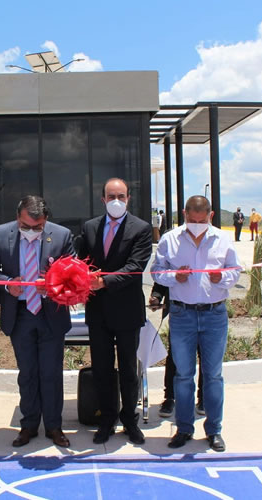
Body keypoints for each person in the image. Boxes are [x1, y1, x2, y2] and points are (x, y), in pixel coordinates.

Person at [0, 195, 74, 448]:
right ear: (17, 218)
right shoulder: (1, 234)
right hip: (20, 314)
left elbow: (74, 272)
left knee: (51, 373)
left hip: (51, 315)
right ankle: (29, 425)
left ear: (46, 222)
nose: (32, 232)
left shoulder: (62, 235)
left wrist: (54, 286)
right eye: (27, 226)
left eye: (38, 227)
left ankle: (54, 427)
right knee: (28, 373)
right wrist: (6, 282)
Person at [152, 195, 240, 452]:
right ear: (184, 214)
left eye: (202, 221)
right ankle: (184, 428)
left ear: (211, 216)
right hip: (182, 315)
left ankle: (214, 430)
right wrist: (174, 276)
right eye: (192, 220)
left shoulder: (223, 239)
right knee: (183, 375)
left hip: (214, 315)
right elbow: (157, 271)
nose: (197, 224)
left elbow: (235, 269)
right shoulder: (170, 239)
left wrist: (220, 278)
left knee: (213, 375)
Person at [78, 178, 152, 445]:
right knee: (102, 368)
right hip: (98, 311)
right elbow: (80, 261)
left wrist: (104, 282)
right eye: (111, 196)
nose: (116, 200)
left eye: (121, 195)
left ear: (129, 198)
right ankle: (107, 419)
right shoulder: (89, 228)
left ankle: (129, 420)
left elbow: (135, 267)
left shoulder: (141, 229)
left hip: (127, 310)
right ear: (103, 199)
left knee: (129, 370)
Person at [149, 283, 204, 418]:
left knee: (206, 356)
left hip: (207, 312)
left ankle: (203, 398)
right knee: (174, 356)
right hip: (180, 312)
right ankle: (169, 398)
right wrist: (157, 296)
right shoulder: (175, 260)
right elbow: (165, 274)